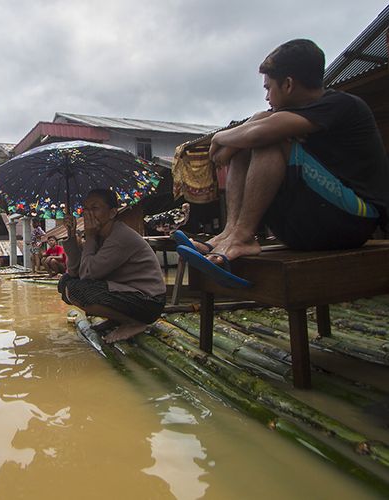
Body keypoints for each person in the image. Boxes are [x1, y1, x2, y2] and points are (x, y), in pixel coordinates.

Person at [185, 39, 389, 270]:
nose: (266, 96)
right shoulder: (285, 116)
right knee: (257, 131)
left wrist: (218, 138)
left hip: (352, 221)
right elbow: (257, 126)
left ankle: (242, 236)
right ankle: (230, 232)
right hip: (314, 223)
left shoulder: (341, 105)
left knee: (268, 140)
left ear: (289, 84)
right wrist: (250, 127)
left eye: (268, 87)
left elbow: (257, 135)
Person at [58, 189, 166, 343]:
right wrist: (71, 235)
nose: (88, 214)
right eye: (86, 209)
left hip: (148, 301)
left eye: (95, 208)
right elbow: (75, 271)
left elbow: (87, 274)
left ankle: (133, 322)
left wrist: (89, 237)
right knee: (65, 282)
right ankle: (118, 319)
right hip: (125, 294)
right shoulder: (99, 235)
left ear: (112, 212)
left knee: (77, 290)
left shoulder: (120, 235)